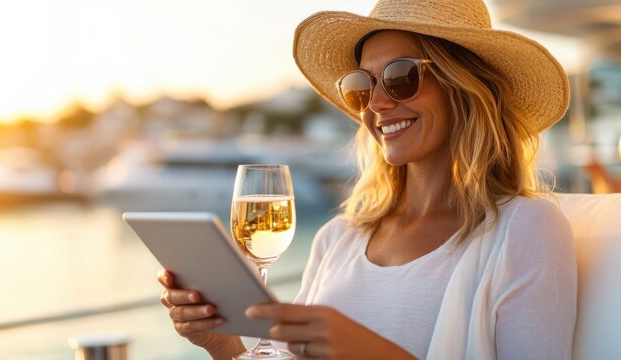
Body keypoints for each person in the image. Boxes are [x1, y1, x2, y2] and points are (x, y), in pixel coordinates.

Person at [158, 0, 577, 358]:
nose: (375, 104)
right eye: (362, 85)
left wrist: (368, 350)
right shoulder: (338, 238)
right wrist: (223, 344)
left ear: (463, 86)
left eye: (400, 77)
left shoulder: (524, 228)